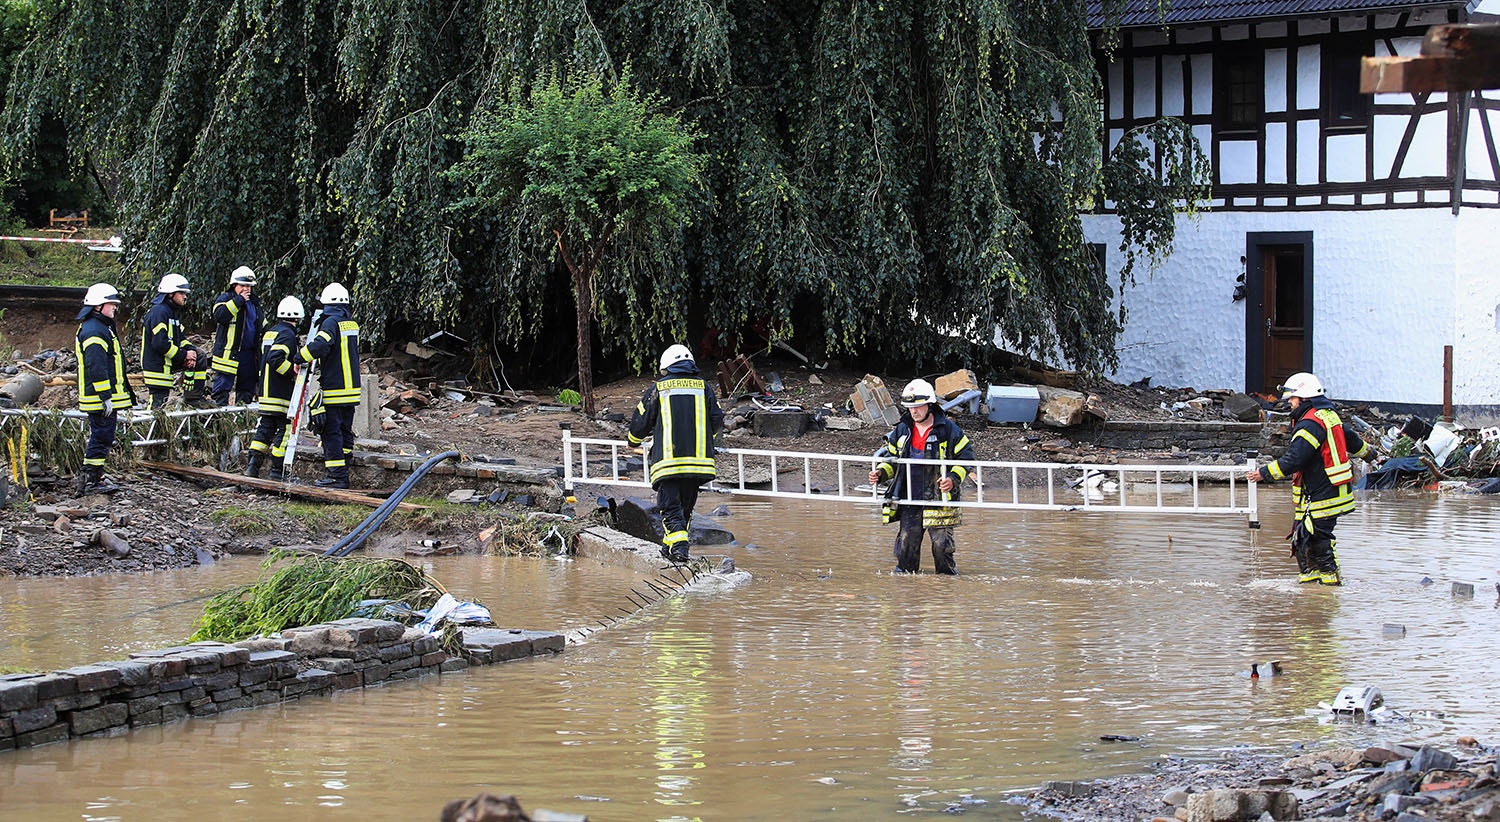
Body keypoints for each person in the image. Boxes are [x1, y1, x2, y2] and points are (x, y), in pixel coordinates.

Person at [1246, 372, 1372, 586]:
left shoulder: (1310, 424)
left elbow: (1296, 458)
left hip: (1325, 491)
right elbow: (1350, 438)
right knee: (1303, 536)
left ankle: (1331, 586)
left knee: (1318, 537)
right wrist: (1370, 454)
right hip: (1321, 489)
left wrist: (1264, 473)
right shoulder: (1326, 415)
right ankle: (1310, 586)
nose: (1289, 403)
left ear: (1304, 397)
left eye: (1292, 398)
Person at [627, 344, 725, 563]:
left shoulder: (659, 388)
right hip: (699, 463)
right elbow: (717, 419)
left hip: (669, 462)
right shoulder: (704, 387)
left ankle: (680, 548)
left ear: (667, 365)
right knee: (684, 509)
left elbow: (641, 420)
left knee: (670, 507)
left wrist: (632, 441)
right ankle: (669, 548)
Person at [869, 378, 975, 575]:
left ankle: (945, 590)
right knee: (906, 547)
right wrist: (881, 473)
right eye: (910, 407)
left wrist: (952, 479)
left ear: (930, 405)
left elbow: (966, 458)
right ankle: (905, 593)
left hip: (940, 499)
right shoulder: (902, 430)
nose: (914, 411)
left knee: (941, 547)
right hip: (910, 498)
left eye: (918, 406)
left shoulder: (948, 430)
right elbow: (892, 460)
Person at [299, 282, 361, 488]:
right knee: (344, 431)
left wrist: (299, 356)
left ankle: (337, 476)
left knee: (330, 431)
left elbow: (321, 345)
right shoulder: (350, 323)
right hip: (351, 390)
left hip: (335, 388)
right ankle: (344, 471)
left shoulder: (330, 323)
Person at [74, 283, 133, 494]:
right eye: (111, 304)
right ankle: (91, 481)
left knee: (103, 436)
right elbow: (96, 366)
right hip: (98, 398)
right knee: (101, 437)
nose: (115, 308)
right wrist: (105, 396)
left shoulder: (99, 327)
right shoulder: (95, 331)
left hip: (100, 397)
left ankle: (95, 477)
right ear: (98, 306)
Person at [245, 296, 307, 481]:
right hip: (280, 394)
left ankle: (252, 467)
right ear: (298, 317)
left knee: (264, 430)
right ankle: (277, 472)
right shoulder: (287, 334)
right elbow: (275, 358)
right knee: (285, 430)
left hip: (266, 391)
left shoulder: (271, 332)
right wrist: (292, 371)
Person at [140, 273, 207, 409]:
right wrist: (184, 355)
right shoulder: (159, 312)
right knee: (157, 406)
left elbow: (180, 339)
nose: (185, 296)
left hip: (167, 362)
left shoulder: (171, 313)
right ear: (170, 294)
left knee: (199, 356)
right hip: (157, 367)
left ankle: (194, 398)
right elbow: (160, 343)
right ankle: (151, 428)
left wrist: (191, 351)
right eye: (182, 293)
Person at [209, 265, 263, 406]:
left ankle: (241, 421)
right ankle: (218, 422)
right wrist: (238, 301)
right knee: (221, 391)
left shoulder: (254, 303)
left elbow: (261, 327)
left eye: (249, 286)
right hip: (228, 355)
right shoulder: (226, 298)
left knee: (246, 391)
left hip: (249, 355)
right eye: (243, 285)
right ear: (234, 285)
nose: (247, 289)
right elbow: (220, 315)